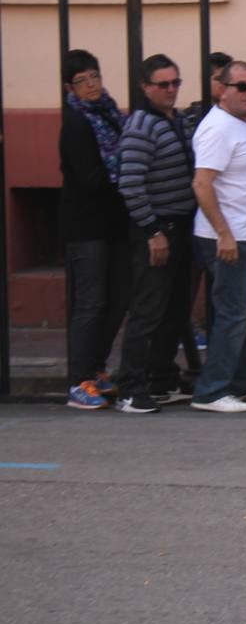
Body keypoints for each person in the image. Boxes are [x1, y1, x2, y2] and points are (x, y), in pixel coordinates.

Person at [114, 54, 197, 412]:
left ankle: (162, 378)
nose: (171, 90)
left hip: (182, 227)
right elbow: (130, 184)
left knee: (174, 310)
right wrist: (152, 231)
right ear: (146, 88)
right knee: (148, 310)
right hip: (157, 229)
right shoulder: (141, 126)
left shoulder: (179, 121)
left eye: (175, 82)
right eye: (163, 84)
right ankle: (130, 387)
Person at [191, 61, 246, 413]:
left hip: (243, 236)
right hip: (227, 238)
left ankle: (238, 384)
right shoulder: (218, 128)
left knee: (243, 314)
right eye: (241, 86)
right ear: (222, 90)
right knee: (233, 314)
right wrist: (224, 234)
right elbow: (202, 184)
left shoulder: (239, 124)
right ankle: (212, 391)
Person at [59, 49, 130, 410]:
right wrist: (124, 179)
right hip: (87, 227)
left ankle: (97, 368)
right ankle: (79, 380)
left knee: (118, 298)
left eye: (94, 77)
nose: (91, 85)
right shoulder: (75, 123)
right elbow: (89, 178)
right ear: (70, 87)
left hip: (116, 223)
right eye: (82, 81)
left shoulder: (111, 113)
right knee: (91, 302)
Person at [182, 51, 231, 138]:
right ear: (205, 80)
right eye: (219, 78)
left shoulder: (239, 115)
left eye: (228, 79)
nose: (224, 83)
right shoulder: (189, 118)